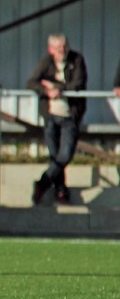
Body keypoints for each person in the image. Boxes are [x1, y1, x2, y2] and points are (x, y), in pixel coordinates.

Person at [27, 34, 87, 204]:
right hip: (51, 116)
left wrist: (57, 87)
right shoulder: (46, 62)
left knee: (65, 155)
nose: (63, 50)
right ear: (51, 49)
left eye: (64, 46)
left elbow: (79, 83)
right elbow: (31, 82)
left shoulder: (76, 60)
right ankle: (61, 191)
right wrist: (46, 91)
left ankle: (42, 184)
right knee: (55, 157)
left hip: (70, 116)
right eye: (59, 47)